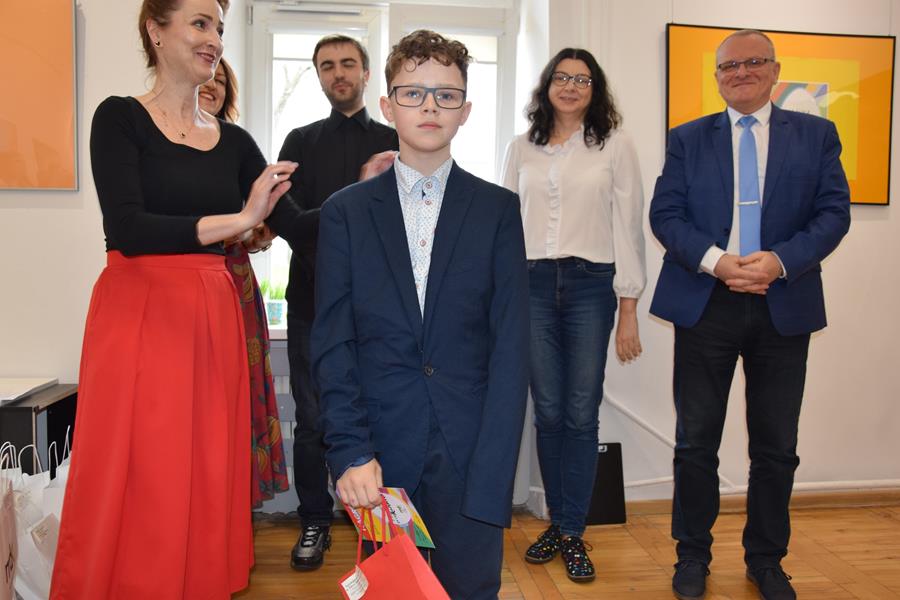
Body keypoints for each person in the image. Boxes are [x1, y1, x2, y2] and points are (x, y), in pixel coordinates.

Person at [49, 1, 314, 597]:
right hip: (139, 311)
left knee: (203, 464)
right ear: (156, 31)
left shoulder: (236, 142)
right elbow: (129, 228)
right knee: (139, 465)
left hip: (212, 317)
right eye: (200, 23)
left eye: (219, 26)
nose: (214, 37)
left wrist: (378, 193)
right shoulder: (119, 118)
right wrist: (239, 219)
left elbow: (299, 225)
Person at [311, 29, 529, 599]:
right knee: (394, 590)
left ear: (465, 110)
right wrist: (350, 451)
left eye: (446, 95)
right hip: (380, 456)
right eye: (413, 93)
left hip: (471, 453)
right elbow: (333, 342)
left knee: (472, 588)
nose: (430, 106)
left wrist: (496, 466)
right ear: (388, 106)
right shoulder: (345, 213)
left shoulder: (499, 210)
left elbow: (511, 347)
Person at [649, 29, 851, 600]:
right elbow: (666, 215)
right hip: (705, 303)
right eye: (728, 66)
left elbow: (834, 213)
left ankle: (766, 560)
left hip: (782, 304)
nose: (740, 72)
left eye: (753, 61)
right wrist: (717, 262)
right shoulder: (688, 138)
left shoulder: (815, 135)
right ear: (717, 77)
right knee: (695, 443)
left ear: (775, 71)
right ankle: (692, 555)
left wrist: (779, 262)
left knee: (775, 446)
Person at [500, 48, 646, 583]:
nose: (570, 86)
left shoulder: (615, 146)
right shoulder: (522, 148)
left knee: (581, 413)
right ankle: (559, 524)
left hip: (591, 285)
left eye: (582, 80)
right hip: (532, 285)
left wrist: (628, 306)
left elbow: (628, 227)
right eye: (561, 77)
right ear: (547, 86)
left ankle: (572, 531)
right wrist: (501, 298)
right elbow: (504, 225)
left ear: (595, 89)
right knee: (549, 412)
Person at [276, 34, 398, 571]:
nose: (338, 73)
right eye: (327, 66)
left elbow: (410, 223)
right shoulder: (299, 141)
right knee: (313, 420)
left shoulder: (396, 138)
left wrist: (326, 218)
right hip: (311, 301)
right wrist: (358, 201)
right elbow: (284, 220)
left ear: (367, 73)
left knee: (382, 416)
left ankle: (381, 528)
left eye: (348, 63)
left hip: (382, 305)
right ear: (319, 75)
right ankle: (315, 521)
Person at [198, 57, 289, 509]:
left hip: (235, 282)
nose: (211, 86)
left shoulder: (236, 146)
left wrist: (256, 232)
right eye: (207, 78)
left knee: (238, 387)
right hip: (182, 284)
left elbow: (263, 225)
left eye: (220, 81)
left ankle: (234, 499)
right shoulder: (161, 148)